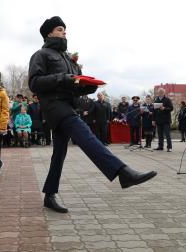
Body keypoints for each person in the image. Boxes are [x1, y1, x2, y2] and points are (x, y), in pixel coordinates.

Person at [28, 16, 157, 213]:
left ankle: (49, 195)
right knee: (87, 137)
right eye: (60, 29)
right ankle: (123, 172)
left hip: (70, 106)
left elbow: (75, 86)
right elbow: (35, 83)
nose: (64, 32)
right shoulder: (41, 54)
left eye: (65, 29)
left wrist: (87, 87)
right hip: (55, 106)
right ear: (49, 33)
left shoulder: (68, 58)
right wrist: (65, 78)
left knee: (59, 153)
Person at [153, 88, 173, 152]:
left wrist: (164, 108)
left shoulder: (167, 100)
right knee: (160, 134)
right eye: (159, 92)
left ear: (164, 93)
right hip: (158, 120)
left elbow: (171, 108)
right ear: (158, 93)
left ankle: (169, 147)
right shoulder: (156, 100)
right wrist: (153, 120)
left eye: (162, 92)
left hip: (166, 120)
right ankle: (160, 146)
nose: (160, 93)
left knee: (167, 134)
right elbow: (154, 111)